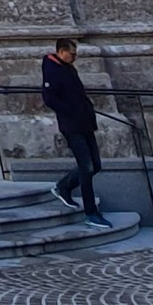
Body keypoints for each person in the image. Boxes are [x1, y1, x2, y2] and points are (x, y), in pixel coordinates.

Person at [41, 37, 112, 228]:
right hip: (71, 125)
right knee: (86, 167)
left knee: (95, 165)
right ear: (62, 51)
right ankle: (91, 212)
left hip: (85, 122)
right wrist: (71, 111)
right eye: (72, 53)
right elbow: (49, 98)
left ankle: (64, 186)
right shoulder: (52, 69)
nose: (75, 57)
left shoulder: (68, 67)